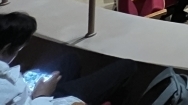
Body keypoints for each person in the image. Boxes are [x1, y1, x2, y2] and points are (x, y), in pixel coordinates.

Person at [0, 11, 137, 105]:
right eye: (19, 49)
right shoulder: (5, 89)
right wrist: (41, 96)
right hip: (39, 100)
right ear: (6, 49)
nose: (18, 53)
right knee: (127, 66)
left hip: (32, 96)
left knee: (70, 60)